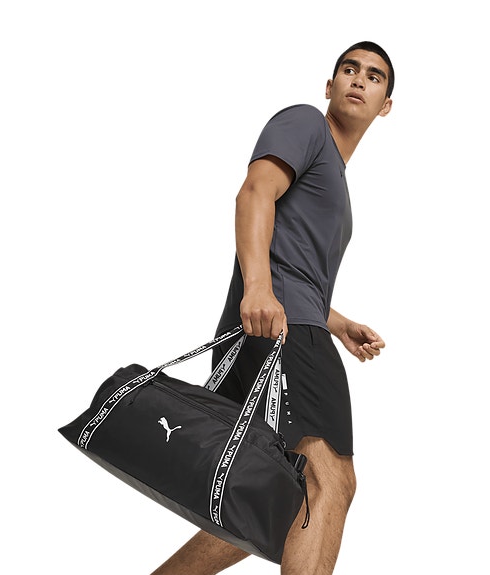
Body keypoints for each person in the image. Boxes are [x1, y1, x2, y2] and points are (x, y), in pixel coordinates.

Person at [151, 40, 394, 575]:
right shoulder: (306, 124)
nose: (359, 79)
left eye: (374, 76)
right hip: (279, 328)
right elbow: (255, 192)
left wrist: (338, 323)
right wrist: (257, 287)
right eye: (349, 69)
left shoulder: (335, 177)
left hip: (278, 326)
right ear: (329, 86)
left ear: (386, 106)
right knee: (329, 478)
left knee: (270, 496)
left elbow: (294, 265)